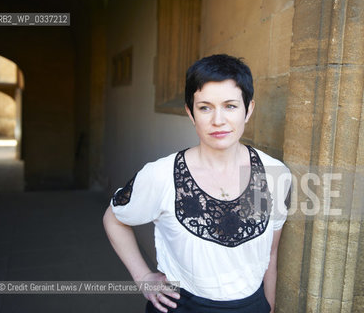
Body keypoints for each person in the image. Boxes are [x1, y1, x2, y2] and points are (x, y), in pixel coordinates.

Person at [103, 54, 291, 313]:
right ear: (190, 113)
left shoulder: (273, 173)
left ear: (248, 110)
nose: (218, 120)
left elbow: (270, 254)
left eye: (230, 106)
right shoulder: (161, 175)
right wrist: (143, 276)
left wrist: (269, 307)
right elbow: (114, 218)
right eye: (205, 107)